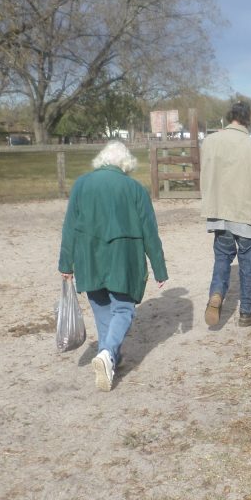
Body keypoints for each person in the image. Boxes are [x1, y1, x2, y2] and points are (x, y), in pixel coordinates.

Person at [58, 140, 167, 392]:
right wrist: (159, 267)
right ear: (125, 164)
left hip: (89, 257)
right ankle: (107, 353)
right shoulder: (135, 188)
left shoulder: (81, 185)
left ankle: (111, 359)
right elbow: (150, 231)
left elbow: (69, 227)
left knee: (102, 309)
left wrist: (66, 263)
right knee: (124, 309)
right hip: (123, 258)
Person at [200, 100, 251, 327]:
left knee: (222, 258)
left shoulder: (210, 142)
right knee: (248, 263)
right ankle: (247, 311)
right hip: (246, 213)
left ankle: (216, 294)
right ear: (247, 119)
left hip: (219, 212)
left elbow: (204, 175)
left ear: (228, 116)